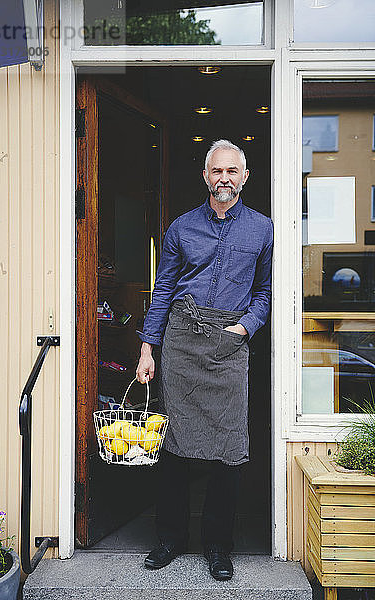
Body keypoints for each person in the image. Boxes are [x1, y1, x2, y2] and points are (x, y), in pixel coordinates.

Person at [136, 139, 273, 581]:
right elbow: (162, 292)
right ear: (206, 176)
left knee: (228, 450)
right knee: (174, 445)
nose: (224, 179)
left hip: (231, 344)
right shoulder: (181, 228)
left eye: (233, 171)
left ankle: (218, 545)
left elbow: (266, 293)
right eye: (217, 171)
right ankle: (170, 539)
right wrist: (146, 347)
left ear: (245, 177)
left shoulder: (263, 229)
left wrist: (244, 328)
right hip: (182, 342)